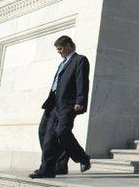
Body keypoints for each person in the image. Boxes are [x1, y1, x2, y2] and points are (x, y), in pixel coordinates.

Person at [29, 36, 91, 179]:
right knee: (44, 133)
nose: (59, 52)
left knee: (62, 132)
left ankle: (83, 158)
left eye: (60, 49)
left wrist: (80, 100)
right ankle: (54, 167)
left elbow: (82, 80)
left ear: (69, 46)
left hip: (68, 104)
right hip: (53, 105)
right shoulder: (62, 63)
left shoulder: (79, 60)